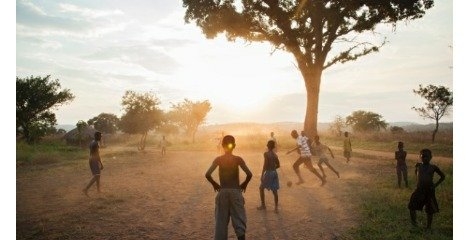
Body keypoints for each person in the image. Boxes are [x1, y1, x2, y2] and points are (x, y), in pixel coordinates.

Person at [205, 135, 253, 240]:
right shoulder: (238, 159)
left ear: (222, 146)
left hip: (223, 191)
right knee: (239, 223)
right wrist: (244, 184)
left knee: (220, 224)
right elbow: (249, 174)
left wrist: (214, 184)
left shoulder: (219, 159)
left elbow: (207, 174)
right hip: (236, 192)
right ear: (234, 146)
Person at [408, 149, 445, 230]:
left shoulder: (433, 167)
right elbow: (416, 174)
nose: (425, 158)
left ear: (431, 157)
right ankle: (414, 223)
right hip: (419, 189)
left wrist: (435, 185)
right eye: (423, 156)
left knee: (430, 210)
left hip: (429, 190)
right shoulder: (418, 166)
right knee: (411, 206)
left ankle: (428, 227)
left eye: (427, 156)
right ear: (420, 157)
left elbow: (443, 176)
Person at [257, 140, 280, 213]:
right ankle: (276, 208)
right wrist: (273, 168)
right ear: (273, 147)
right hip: (274, 173)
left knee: (261, 188)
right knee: (275, 191)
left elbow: (265, 165)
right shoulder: (275, 155)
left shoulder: (266, 154)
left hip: (269, 173)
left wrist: (262, 174)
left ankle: (263, 205)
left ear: (267, 146)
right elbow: (278, 165)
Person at [83, 131, 104, 196]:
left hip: (91, 159)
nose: (101, 137)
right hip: (94, 160)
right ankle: (86, 189)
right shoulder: (95, 144)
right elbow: (97, 155)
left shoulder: (92, 142)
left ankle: (98, 190)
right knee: (96, 175)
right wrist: (101, 163)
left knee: (98, 175)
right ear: (96, 136)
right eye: (100, 136)